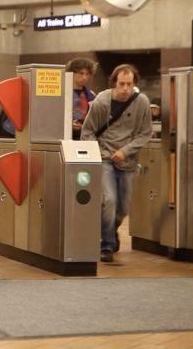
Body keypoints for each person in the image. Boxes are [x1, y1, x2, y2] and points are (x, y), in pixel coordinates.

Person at [81, 64, 152, 263]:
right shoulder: (101, 102)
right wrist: (95, 155)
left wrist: (125, 151)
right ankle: (107, 245)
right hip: (104, 158)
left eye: (129, 84)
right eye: (121, 84)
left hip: (127, 161)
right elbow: (87, 132)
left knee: (123, 207)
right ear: (114, 82)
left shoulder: (142, 103)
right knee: (109, 200)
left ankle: (111, 230)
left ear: (134, 84)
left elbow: (145, 133)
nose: (125, 89)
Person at [66, 57, 97, 140]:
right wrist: (68, 124)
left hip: (84, 136)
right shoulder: (63, 93)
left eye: (87, 74)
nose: (84, 77)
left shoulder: (91, 95)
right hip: (65, 136)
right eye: (81, 73)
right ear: (72, 73)